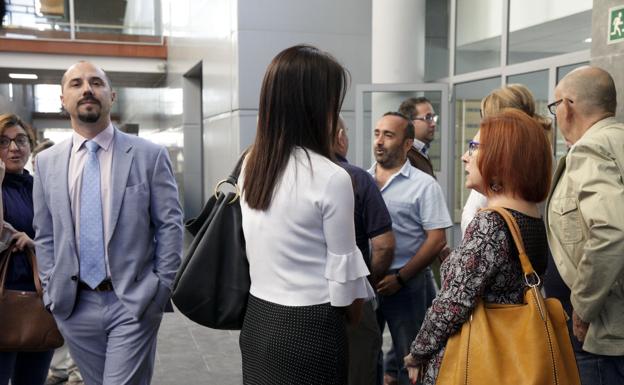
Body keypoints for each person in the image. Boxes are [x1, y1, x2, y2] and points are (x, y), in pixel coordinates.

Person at [32, 61, 183, 385]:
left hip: (132, 301)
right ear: (62, 100)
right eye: (76, 83)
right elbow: (45, 234)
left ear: (111, 96)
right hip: (73, 306)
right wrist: (51, 292)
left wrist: (160, 289)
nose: (87, 89)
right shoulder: (46, 163)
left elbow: (170, 225)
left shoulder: (149, 155)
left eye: (96, 82)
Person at [239, 45, 374, 385]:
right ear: (315, 106)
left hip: (257, 321)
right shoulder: (331, 177)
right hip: (312, 329)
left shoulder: (251, 166)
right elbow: (345, 291)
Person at [403, 109, 552, 384]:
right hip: (511, 359)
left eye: (474, 147)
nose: (465, 156)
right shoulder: (531, 215)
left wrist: (417, 353)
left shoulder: (491, 223)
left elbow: (452, 302)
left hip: (475, 363)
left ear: (502, 156)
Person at [545, 66, 624, 384]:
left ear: (567, 105)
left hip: (599, 335)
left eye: (555, 106)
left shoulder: (590, 150)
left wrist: (583, 307)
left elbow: (611, 231)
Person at [369, 112, 452, 385]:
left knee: (412, 361)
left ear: (407, 144)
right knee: (366, 357)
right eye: (377, 133)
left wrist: (401, 277)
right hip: (368, 282)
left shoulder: (423, 185)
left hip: (407, 283)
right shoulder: (362, 181)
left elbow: (436, 239)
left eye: (388, 135)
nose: (379, 141)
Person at [333, 117, 395, 385]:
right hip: (351, 299)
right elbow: (384, 245)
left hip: (297, 306)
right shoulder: (357, 178)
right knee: (357, 372)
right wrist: (366, 283)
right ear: (340, 137)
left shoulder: (283, 176)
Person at [0, 113, 55, 385]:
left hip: (39, 298)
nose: (14, 148)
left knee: (33, 379)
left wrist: (35, 243)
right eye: (4, 141)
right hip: (2, 299)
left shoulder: (40, 187)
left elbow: (60, 237)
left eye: (20, 140)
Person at [460, 83, 552, 236]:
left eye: (476, 147)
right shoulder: (541, 148)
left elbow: (471, 220)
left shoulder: (491, 227)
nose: (465, 157)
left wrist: (480, 226)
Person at [398, 97, 437, 177]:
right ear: (410, 122)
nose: (433, 124)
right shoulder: (404, 156)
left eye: (433, 117)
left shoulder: (420, 152)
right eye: (428, 118)